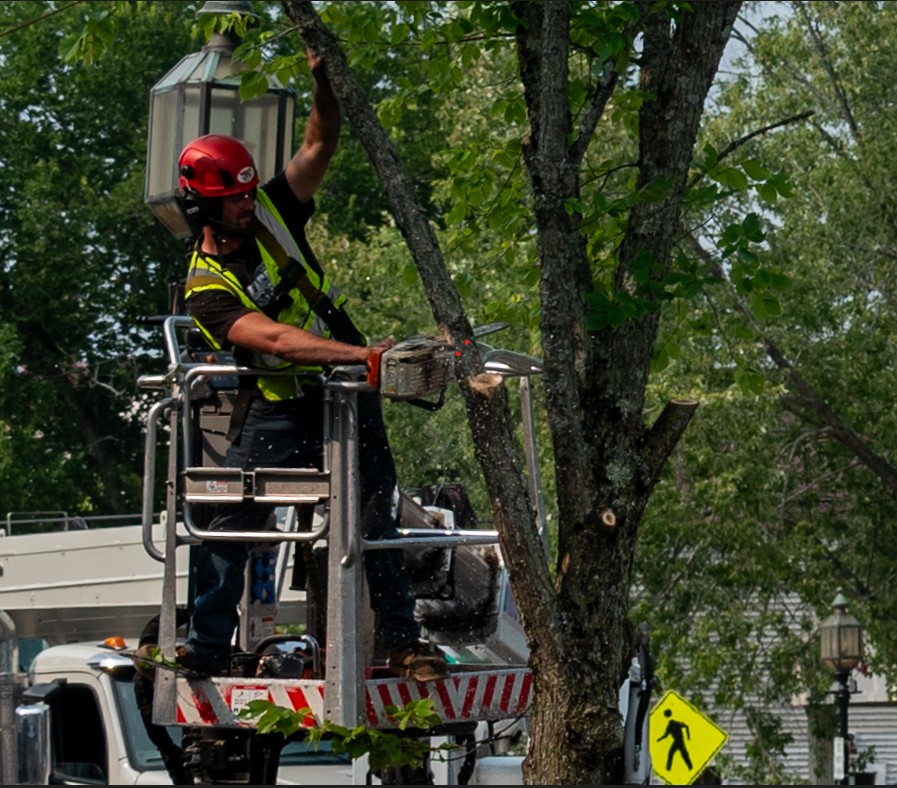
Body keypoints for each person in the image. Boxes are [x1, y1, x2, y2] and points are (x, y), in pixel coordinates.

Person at [174, 51, 447, 683]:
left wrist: (325, 80)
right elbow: (275, 340)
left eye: (248, 193)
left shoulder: (272, 208)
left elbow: (320, 142)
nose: (248, 206)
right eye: (234, 201)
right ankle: (206, 645)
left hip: (343, 395)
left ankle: (404, 641)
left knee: (374, 513)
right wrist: (365, 357)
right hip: (275, 407)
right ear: (202, 209)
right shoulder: (205, 286)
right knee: (230, 520)